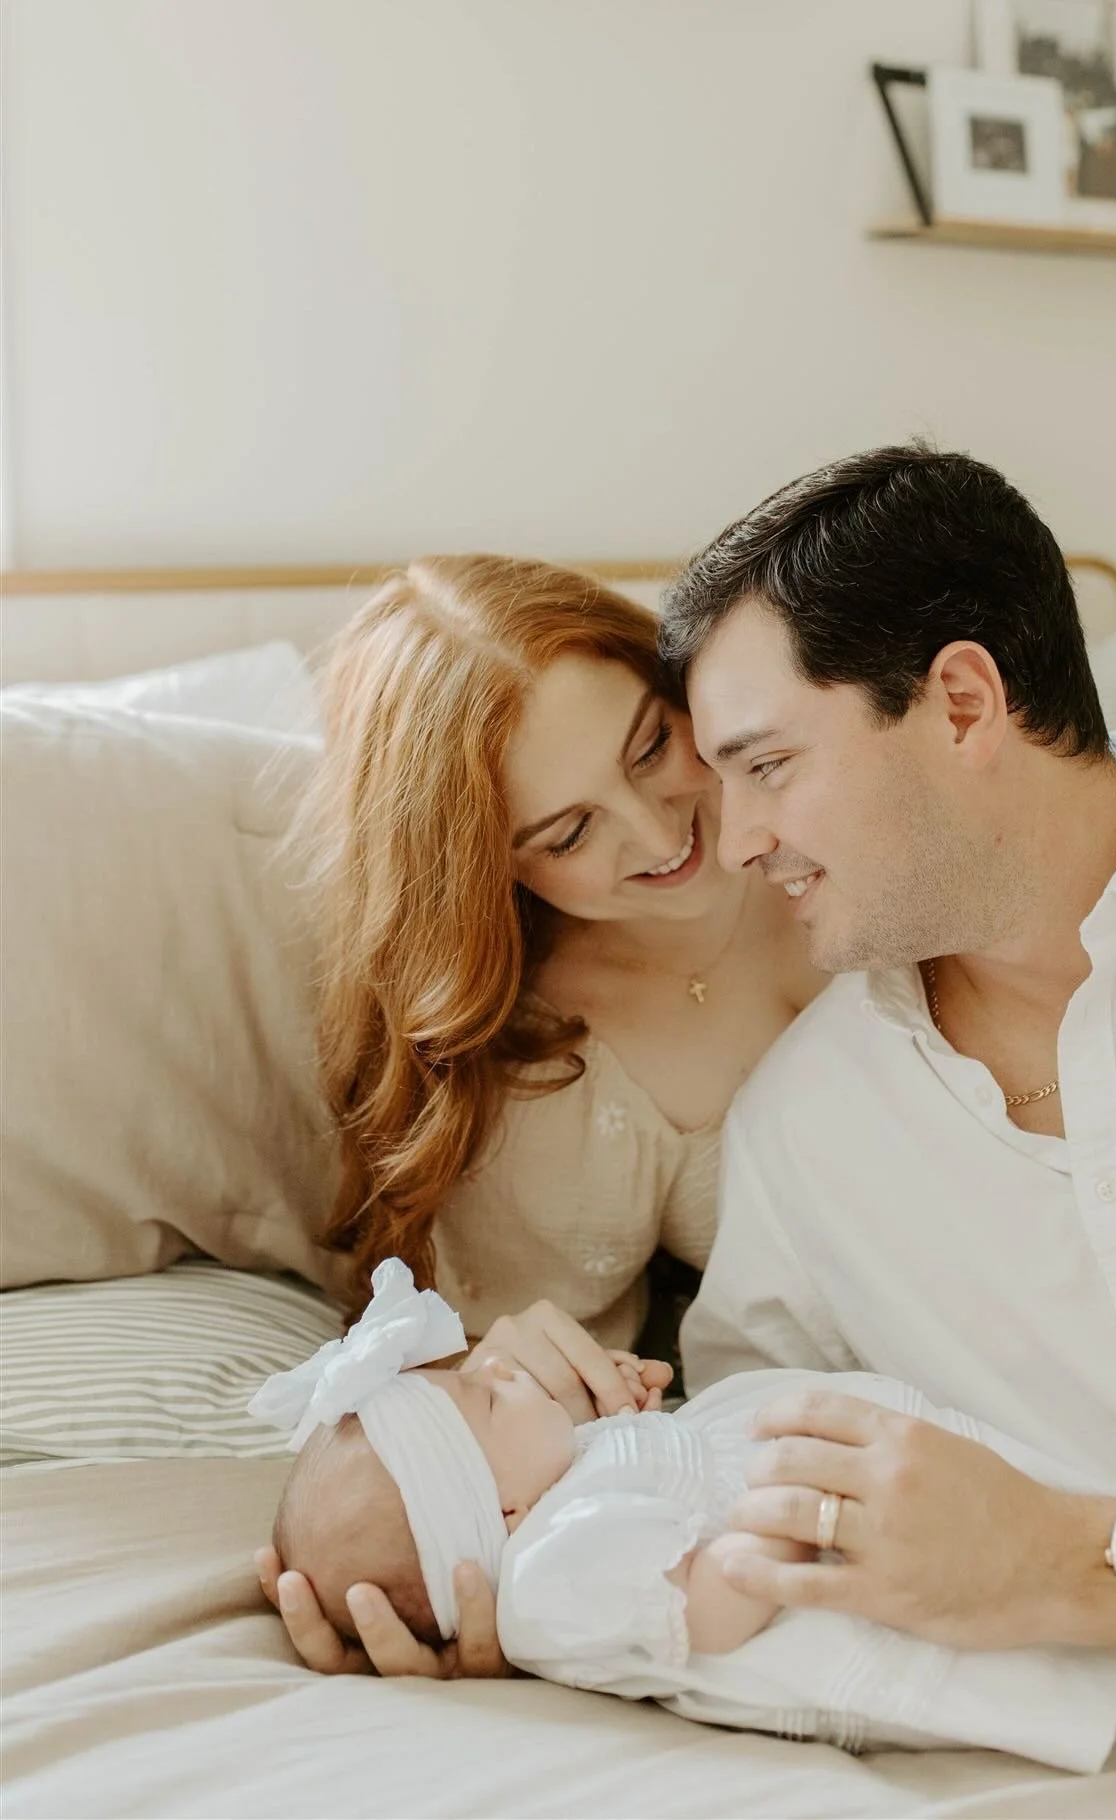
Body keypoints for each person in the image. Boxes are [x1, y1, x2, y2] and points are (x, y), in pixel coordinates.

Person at [657, 442, 1116, 1793]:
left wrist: (1079, 1556)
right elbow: (726, 1510)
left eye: (767, 767)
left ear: (964, 703)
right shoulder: (804, 1152)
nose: (739, 841)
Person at [254, 554, 824, 1677]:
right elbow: (534, 1449)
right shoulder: (539, 1081)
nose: (658, 836)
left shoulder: (847, 798)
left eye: (653, 747)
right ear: (488, 868)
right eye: (566, 834)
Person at [252, 1259, 1116, 1773]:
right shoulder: (550, 1576)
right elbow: (710, 1609)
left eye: (475, 1374)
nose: (499, 1368)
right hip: (811, 1589)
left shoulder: (557, 1487)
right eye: (487, 1405)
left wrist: (621, 1424)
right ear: (505, 1509)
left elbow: (645, 1485)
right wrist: (792, 1506)